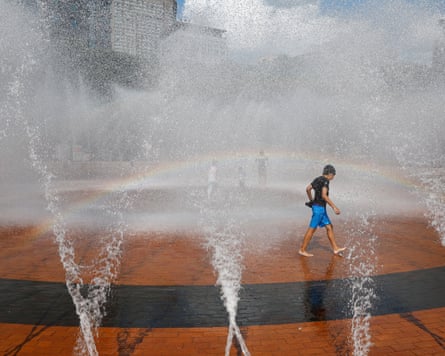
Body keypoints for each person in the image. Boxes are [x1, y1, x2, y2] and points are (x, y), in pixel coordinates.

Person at [299, 164, 346, 257]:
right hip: (319, 209)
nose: (333, 177)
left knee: (329, 227)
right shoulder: (325, 181)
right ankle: (302, 249)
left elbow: (308, 189)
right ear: (330, 174)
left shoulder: (317, 179)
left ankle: (335, 248)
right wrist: (334, 207)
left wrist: (311, 200)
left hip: (319, 208)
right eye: (333, 175)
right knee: (312, 229)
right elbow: (324, 195)